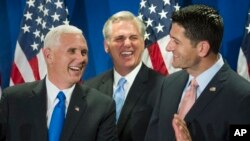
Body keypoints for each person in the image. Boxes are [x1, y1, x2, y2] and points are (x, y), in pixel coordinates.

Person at [145, 4, 250, 141]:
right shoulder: (169, 83)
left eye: (176, 41)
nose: (168, 47)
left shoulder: (242, 97)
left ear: (202, 48)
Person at [0, 25, 117, 141]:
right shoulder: (13, 99)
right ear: (49, 56)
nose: (81, 59)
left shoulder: (101, 106)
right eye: (72, 51)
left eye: (83, 52)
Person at [85, 11, 167, 141]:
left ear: (143, 42)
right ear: (106, 46)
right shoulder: (89, 88)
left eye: (134, 37)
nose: (128, 44)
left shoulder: (164, 87)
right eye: (119, 38)